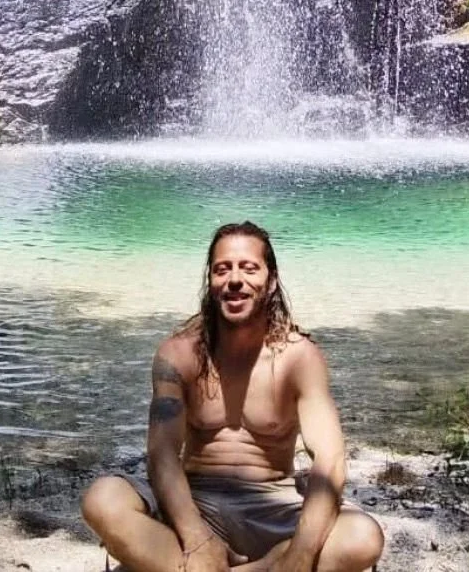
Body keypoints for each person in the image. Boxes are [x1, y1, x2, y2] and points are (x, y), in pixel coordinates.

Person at [82, 221, 384, 571]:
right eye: (222, 269)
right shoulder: (179, 354)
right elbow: (162, 455)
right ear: (210, 281)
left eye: (249, 268)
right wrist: (196, 537)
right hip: (193, 502)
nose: (235, 279)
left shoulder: (299, 358)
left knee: (362, 536)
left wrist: (300, 553)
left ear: (270, 281)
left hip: (274, 503)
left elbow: (329, 459)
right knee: (102, 499)